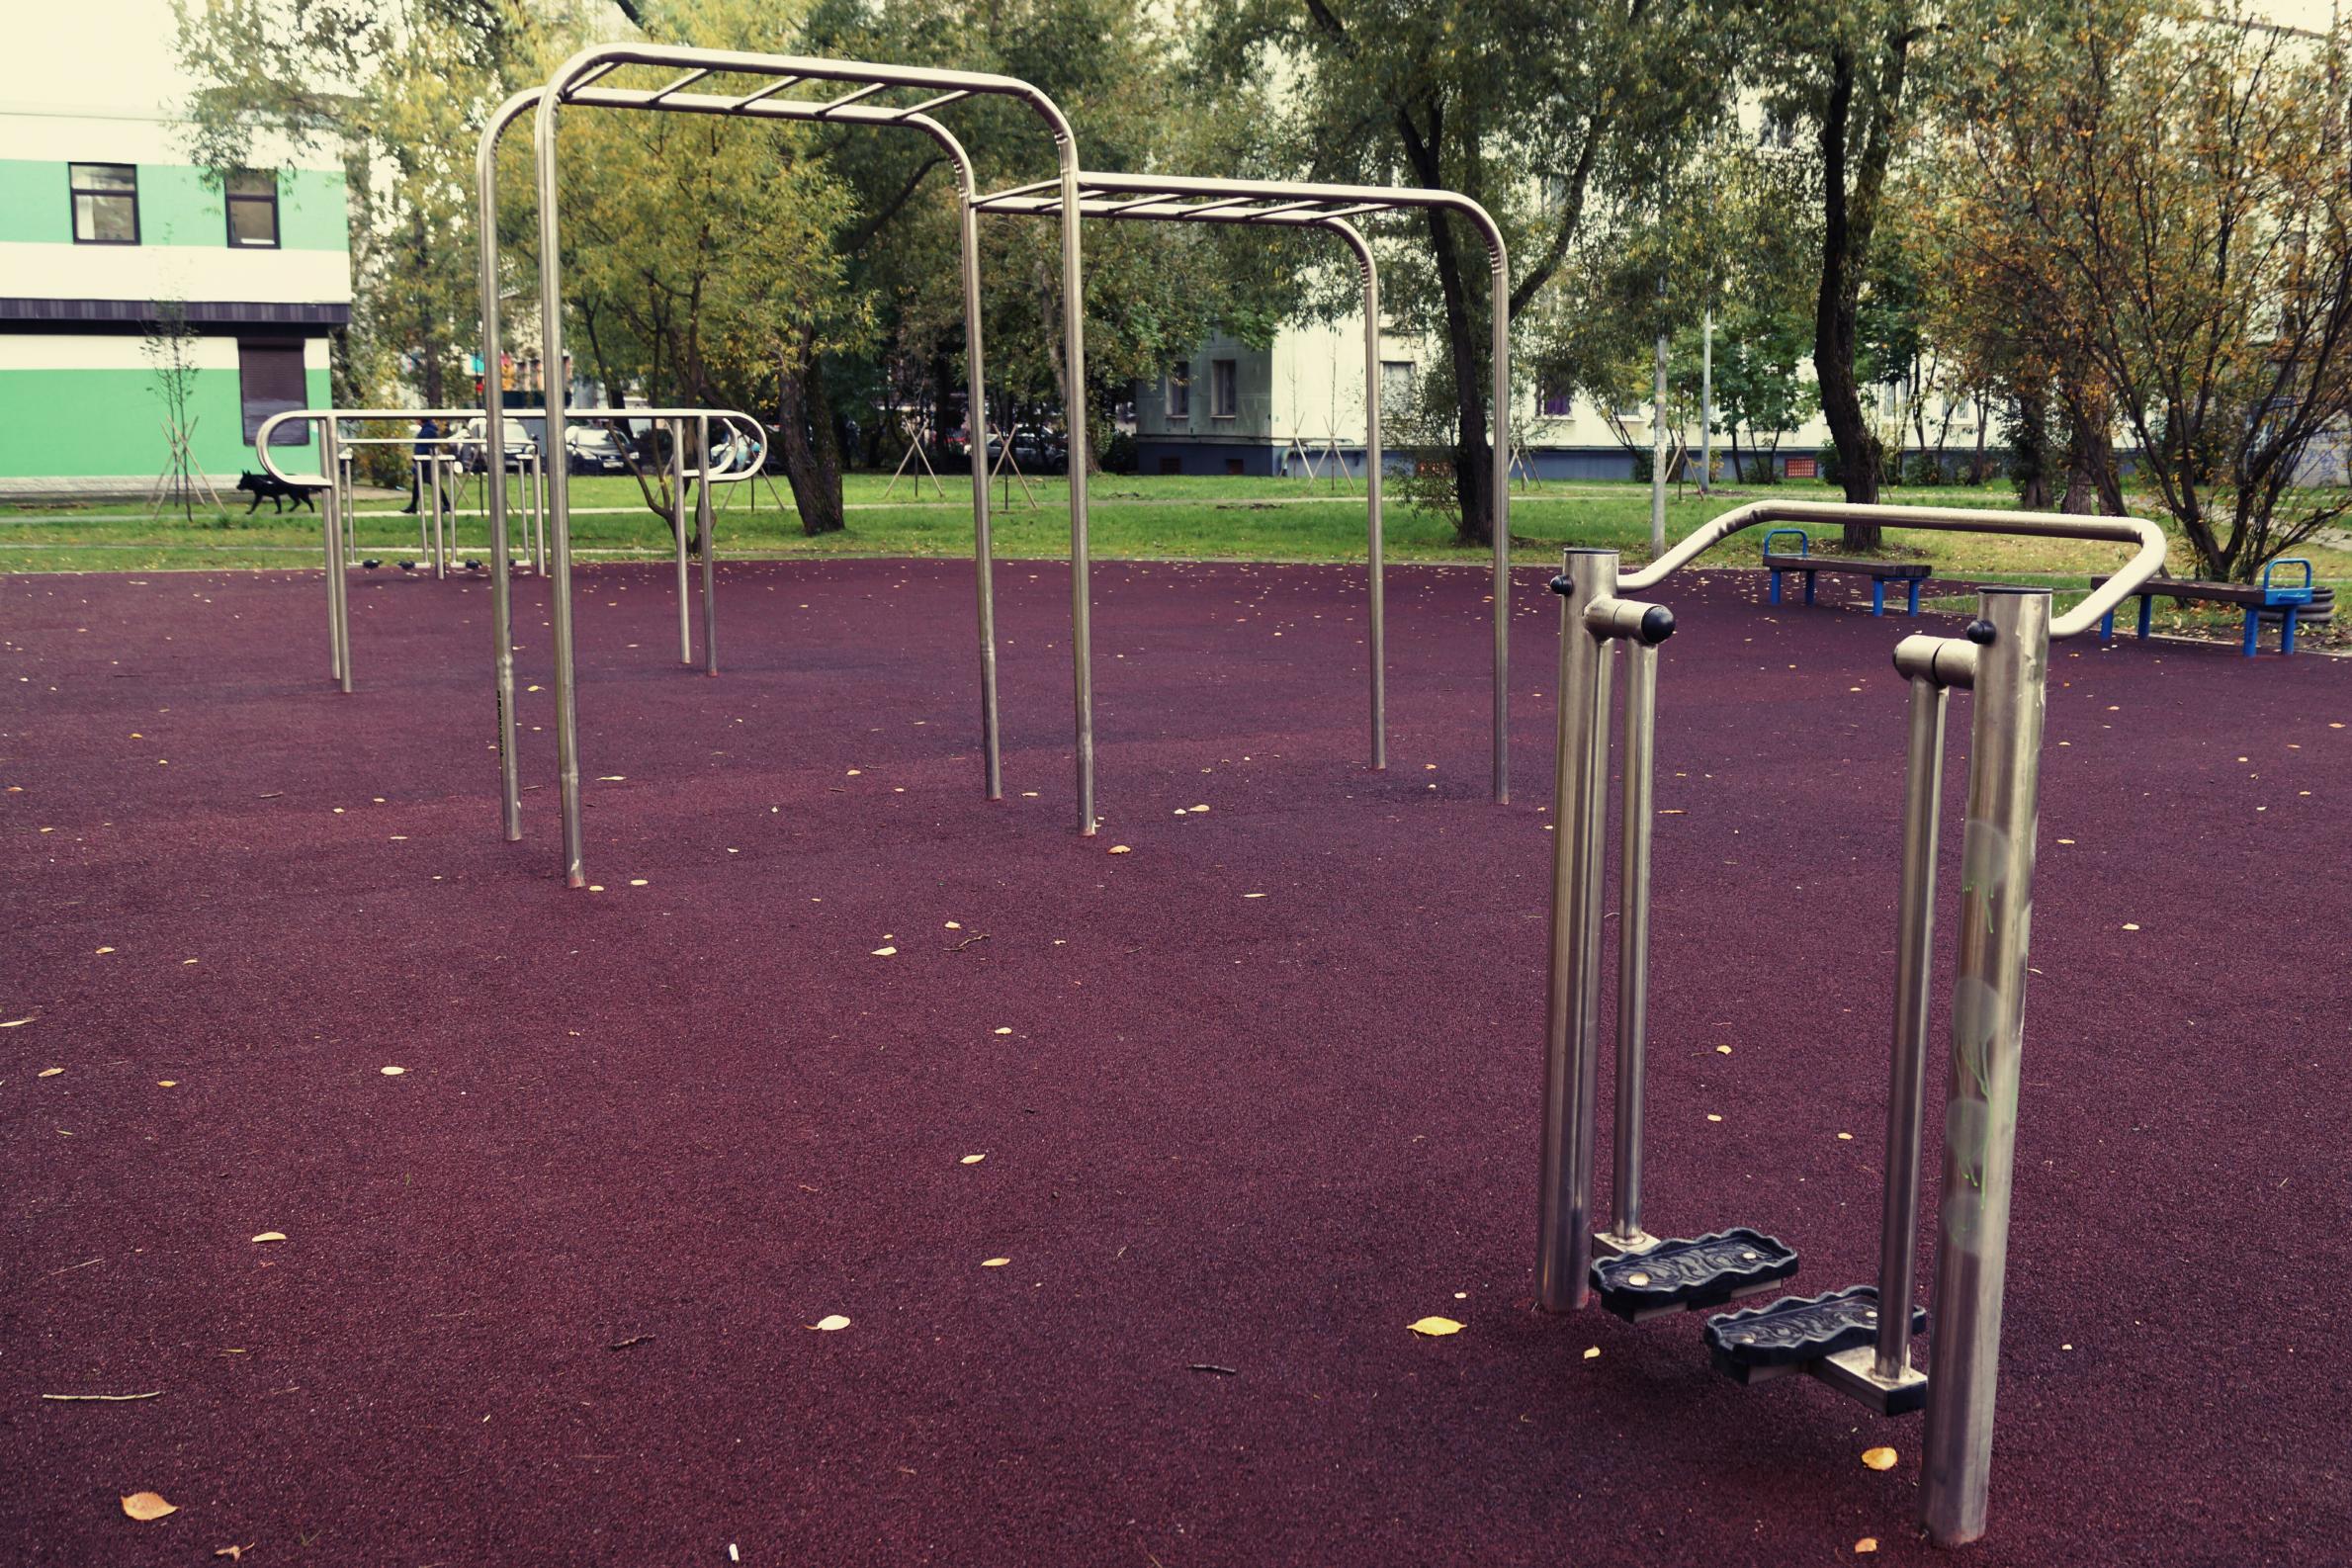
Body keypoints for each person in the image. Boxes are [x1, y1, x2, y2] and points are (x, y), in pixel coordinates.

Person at [402, 417, 449, 514]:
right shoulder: (426, 429)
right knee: (417, 483)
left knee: (433, 483)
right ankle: (413, 506)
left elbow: (428, 446)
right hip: (422, 460)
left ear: (421, 420)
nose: (416, 420)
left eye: (417, 419)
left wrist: (420, 457)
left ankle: (447, 504)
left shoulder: (429, 431)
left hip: (426, 462)